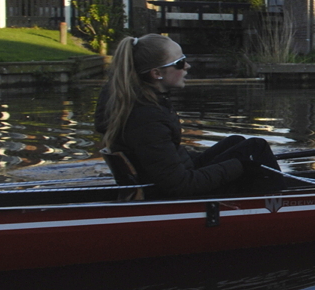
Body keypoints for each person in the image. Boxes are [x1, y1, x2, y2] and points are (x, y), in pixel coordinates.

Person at [94, 34, 280, 197]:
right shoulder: (146, 119)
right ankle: (283, 203)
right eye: (180, 63)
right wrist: (240, 166)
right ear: (156, 73)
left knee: (238, 142)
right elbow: (180, 185)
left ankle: (279, 193)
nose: (187, 66)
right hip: (171, 194)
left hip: (169, 178)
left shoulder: (139, 101)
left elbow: (165, 157)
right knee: (256, 149)